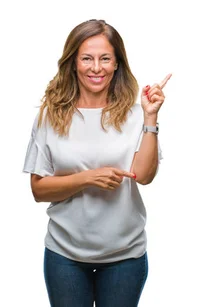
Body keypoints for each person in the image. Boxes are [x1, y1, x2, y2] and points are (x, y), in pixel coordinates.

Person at [23, 19, 170, 307]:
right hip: (65, 255)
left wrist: (150, 117)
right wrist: (87, 178)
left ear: (117, 64)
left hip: (125, 255)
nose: (96, 67)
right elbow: (38, 190)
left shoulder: (135, 114)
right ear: (73, 63)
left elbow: (143, 176)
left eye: (105, 59)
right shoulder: (49, 116)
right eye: (87, 58)